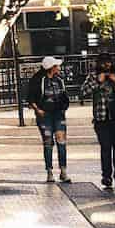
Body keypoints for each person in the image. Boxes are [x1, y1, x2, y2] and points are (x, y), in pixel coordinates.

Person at [82, 56, 115, 189]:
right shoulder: (93, 77)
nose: (106, 66)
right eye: (103, 63)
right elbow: (84, 92)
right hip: (102, 119)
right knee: (105, 147)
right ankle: (106, 176)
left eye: (108, 63)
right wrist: (98, 82)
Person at [26, 55, 71, 183]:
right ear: (51, 68)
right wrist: (38, 110)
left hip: (58, 114)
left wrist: (63, 107)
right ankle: (49, 171)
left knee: (61, 141)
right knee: (48, 142)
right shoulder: (38, 80)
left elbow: (64, 95)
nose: (58, 68)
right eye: (56, 66)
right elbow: (31, 97)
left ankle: (63, 170)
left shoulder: (59, 80)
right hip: (45, 115)